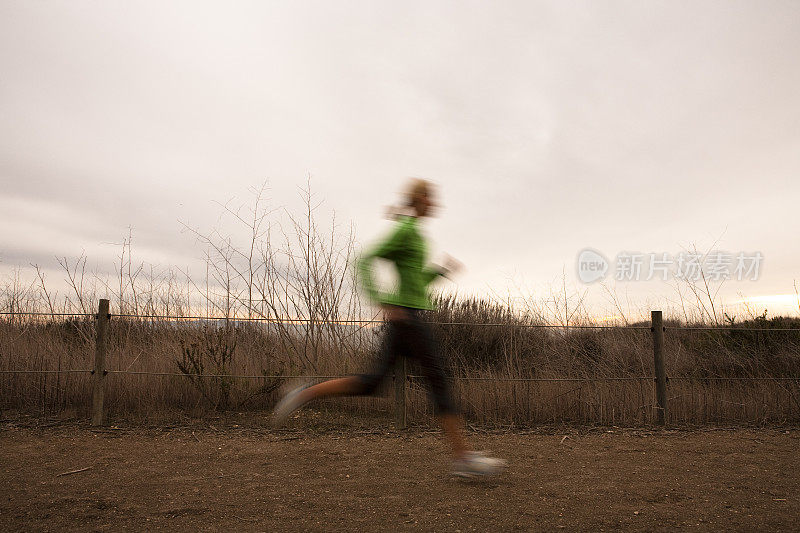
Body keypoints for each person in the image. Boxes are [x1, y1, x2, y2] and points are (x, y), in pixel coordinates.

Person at [272, 178, 506, 477]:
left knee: (372, 382)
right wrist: (382, 301)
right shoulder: (406, 231)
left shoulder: (414, 233)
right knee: (439, 383)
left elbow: (416, 282)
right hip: (407, 319)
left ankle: (306, 392)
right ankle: (463, 459)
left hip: (407, 318)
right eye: (430, 197)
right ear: (420, 198)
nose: (435, 203)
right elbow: (363, 260)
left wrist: (439, 271)